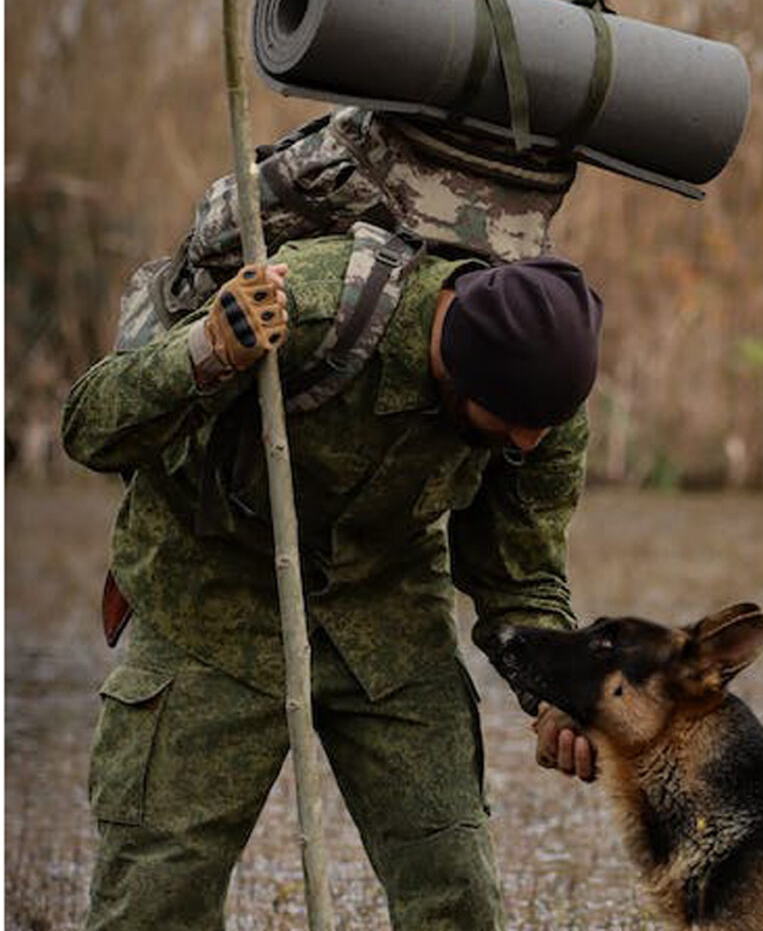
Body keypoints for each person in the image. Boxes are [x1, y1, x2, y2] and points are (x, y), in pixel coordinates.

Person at [62, 219, 604, 930]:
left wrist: (557, 692)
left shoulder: (542, 406)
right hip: (210, 602)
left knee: (456, 884)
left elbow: (520, 574)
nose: (528, 442)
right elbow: (88, 426)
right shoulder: (306, 310)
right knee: (158, 893)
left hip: (385, 616)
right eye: (509, 424)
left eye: (541, 427)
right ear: (454, 367)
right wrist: (206, 353)